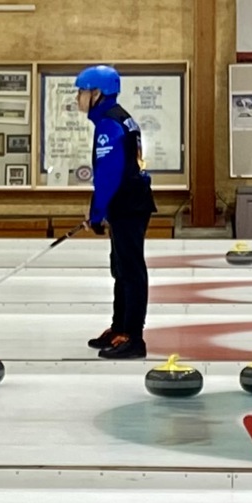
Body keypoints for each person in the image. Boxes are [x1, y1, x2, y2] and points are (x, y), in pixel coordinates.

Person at [79, 65, 156, 359]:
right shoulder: (120, 118)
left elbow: (109, 174)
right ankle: (119, 327)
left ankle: (133, 337)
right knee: (121, 267)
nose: (78, 98)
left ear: (97, 93)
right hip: (129, 200)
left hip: (127, 202)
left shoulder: (109, 124)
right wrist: (98, 210)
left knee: (131, 269)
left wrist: (97, 213)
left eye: (82, 91)